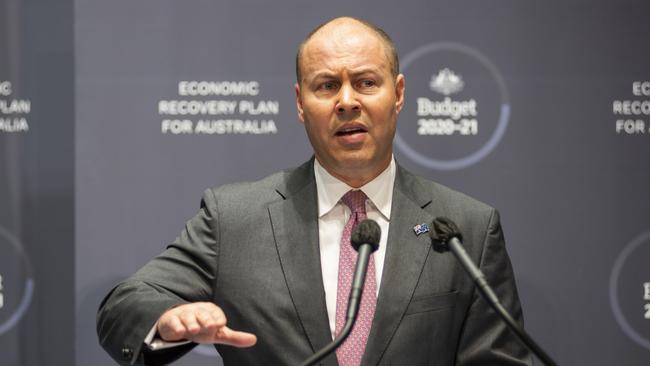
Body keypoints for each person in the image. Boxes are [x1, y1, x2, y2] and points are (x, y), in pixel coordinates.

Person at [97, 16, 533, 366]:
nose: (346, 101)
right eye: (326, 86)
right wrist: (168, 318)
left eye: (366, 82)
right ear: (300, 103)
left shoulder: (467, 227)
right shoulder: (234, 219)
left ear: (398, 95)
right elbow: (124, 304)